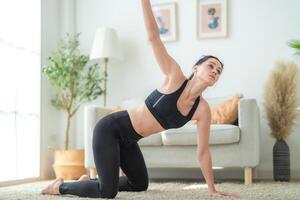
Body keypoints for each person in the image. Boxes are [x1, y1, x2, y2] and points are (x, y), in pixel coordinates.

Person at [41, 0, 239, 198]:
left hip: (129, 141)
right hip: (110, 130)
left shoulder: (202, 110)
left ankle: (90, 183)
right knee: (107, 193)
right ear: (196, 68)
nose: (215, 71)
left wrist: (212, 189)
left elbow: (203, 152)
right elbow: (153, 38)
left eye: (219, 71)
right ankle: (59, 187)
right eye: (211, 66)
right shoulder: (174, 76)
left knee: (139, 184)